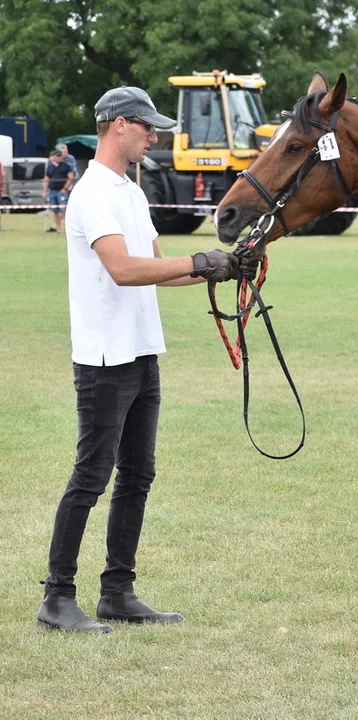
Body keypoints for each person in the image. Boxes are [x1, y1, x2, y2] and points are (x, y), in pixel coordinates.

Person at [37, 85, 251, 634]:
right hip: (105, 357)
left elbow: (160, 267)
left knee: (137, 475)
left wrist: (220, 266)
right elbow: (124, 270)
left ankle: (118, 592)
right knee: (91, 477)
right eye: (146, 127)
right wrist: (199, 259)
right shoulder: (92, 194)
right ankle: (57, 597)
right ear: (119, 126)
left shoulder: (132, 192)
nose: (154, 135)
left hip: (141, 351)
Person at [44, 150, 75, 232]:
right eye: (58, 156)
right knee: (55, 210)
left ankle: (60, 224)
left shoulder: (66, 166)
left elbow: (71, 177)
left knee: (63, 209)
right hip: (52, 191)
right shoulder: (50, 167)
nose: (60, 157)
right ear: (54, 157)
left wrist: (65, 188)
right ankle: (57, 227)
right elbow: (47, 179)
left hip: (62, 191)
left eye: (61, 156)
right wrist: (45, 191)